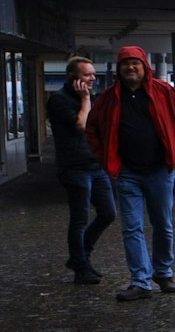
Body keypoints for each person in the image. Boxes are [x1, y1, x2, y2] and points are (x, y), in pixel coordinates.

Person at [85, 45, 175, 302]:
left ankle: (163, 272)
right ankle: (140, 281)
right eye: (126, 64)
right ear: (119, 69)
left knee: (163, 224)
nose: (130, 67)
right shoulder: (109, 98)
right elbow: (91, 130)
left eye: (135, 63)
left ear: (144, 66)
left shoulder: (164, 92)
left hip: (160, 170)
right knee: (132, 228)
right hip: (127, 173)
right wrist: (106, 160)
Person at [47, 55, 115, 285]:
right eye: (87, 75)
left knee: (108, 213)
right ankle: (81, 267)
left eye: (93, 75)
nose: (92, 79)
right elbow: (81, 125)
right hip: (74, 168)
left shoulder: (90, 98)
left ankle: (79, 257)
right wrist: (86, 100)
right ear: (72, 77)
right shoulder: (59, 100)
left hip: (96, 166)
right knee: (79, 219)